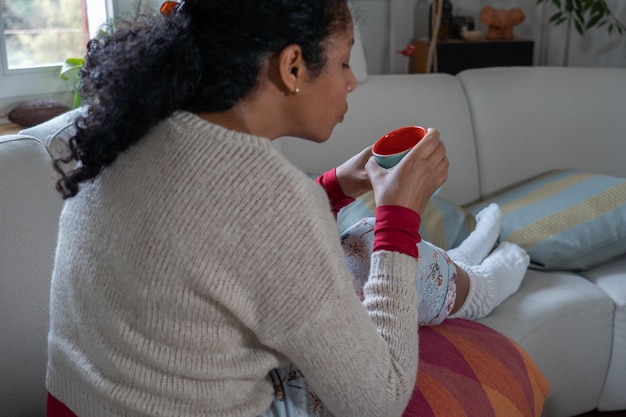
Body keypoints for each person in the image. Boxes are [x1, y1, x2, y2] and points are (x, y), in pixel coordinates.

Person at [45, 1, 528, 416]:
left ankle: (466, 264)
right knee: (367, 244)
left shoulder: (134, 127)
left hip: (79, 404)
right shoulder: (268, 195)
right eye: (343, 62)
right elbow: (380, 401)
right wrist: (400, 215)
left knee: (355, 248)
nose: (352, 82)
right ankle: (479, 285)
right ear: (293, 66)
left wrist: (336, 184)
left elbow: (232, 247)